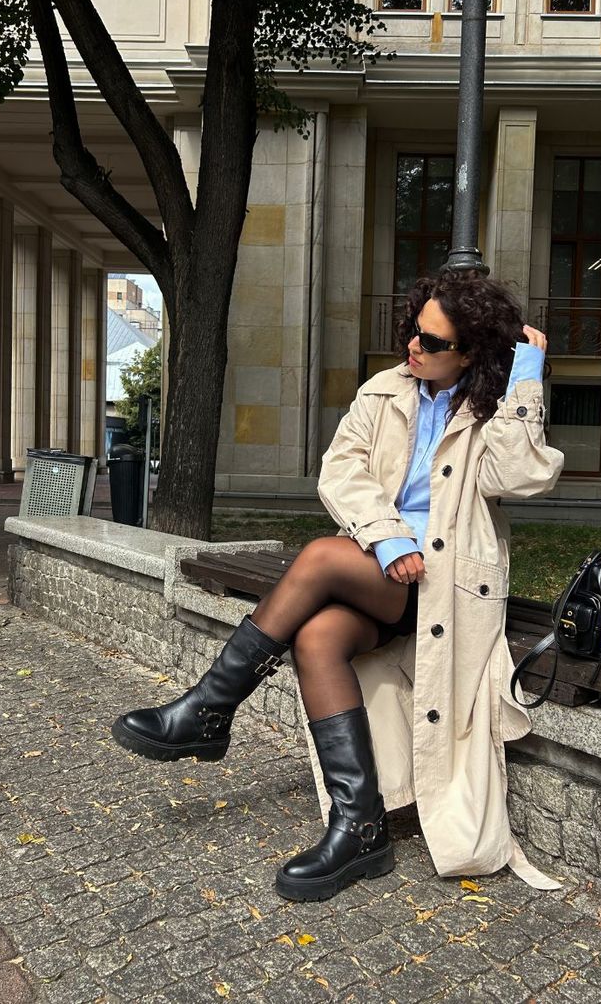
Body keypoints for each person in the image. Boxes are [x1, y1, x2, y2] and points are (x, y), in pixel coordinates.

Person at [111, 268, 565, 901]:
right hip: (383, 565)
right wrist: (388, 537)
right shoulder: (386, 391)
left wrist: (526, 377)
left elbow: (519, 478)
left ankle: (209, 709)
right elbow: (340, 470)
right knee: (317, 638)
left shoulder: (492, 411)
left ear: (470, 353)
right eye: (414, 331)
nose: (415, 346)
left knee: (322, 557)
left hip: (445, 584)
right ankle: (361, 829)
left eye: (433, 342)